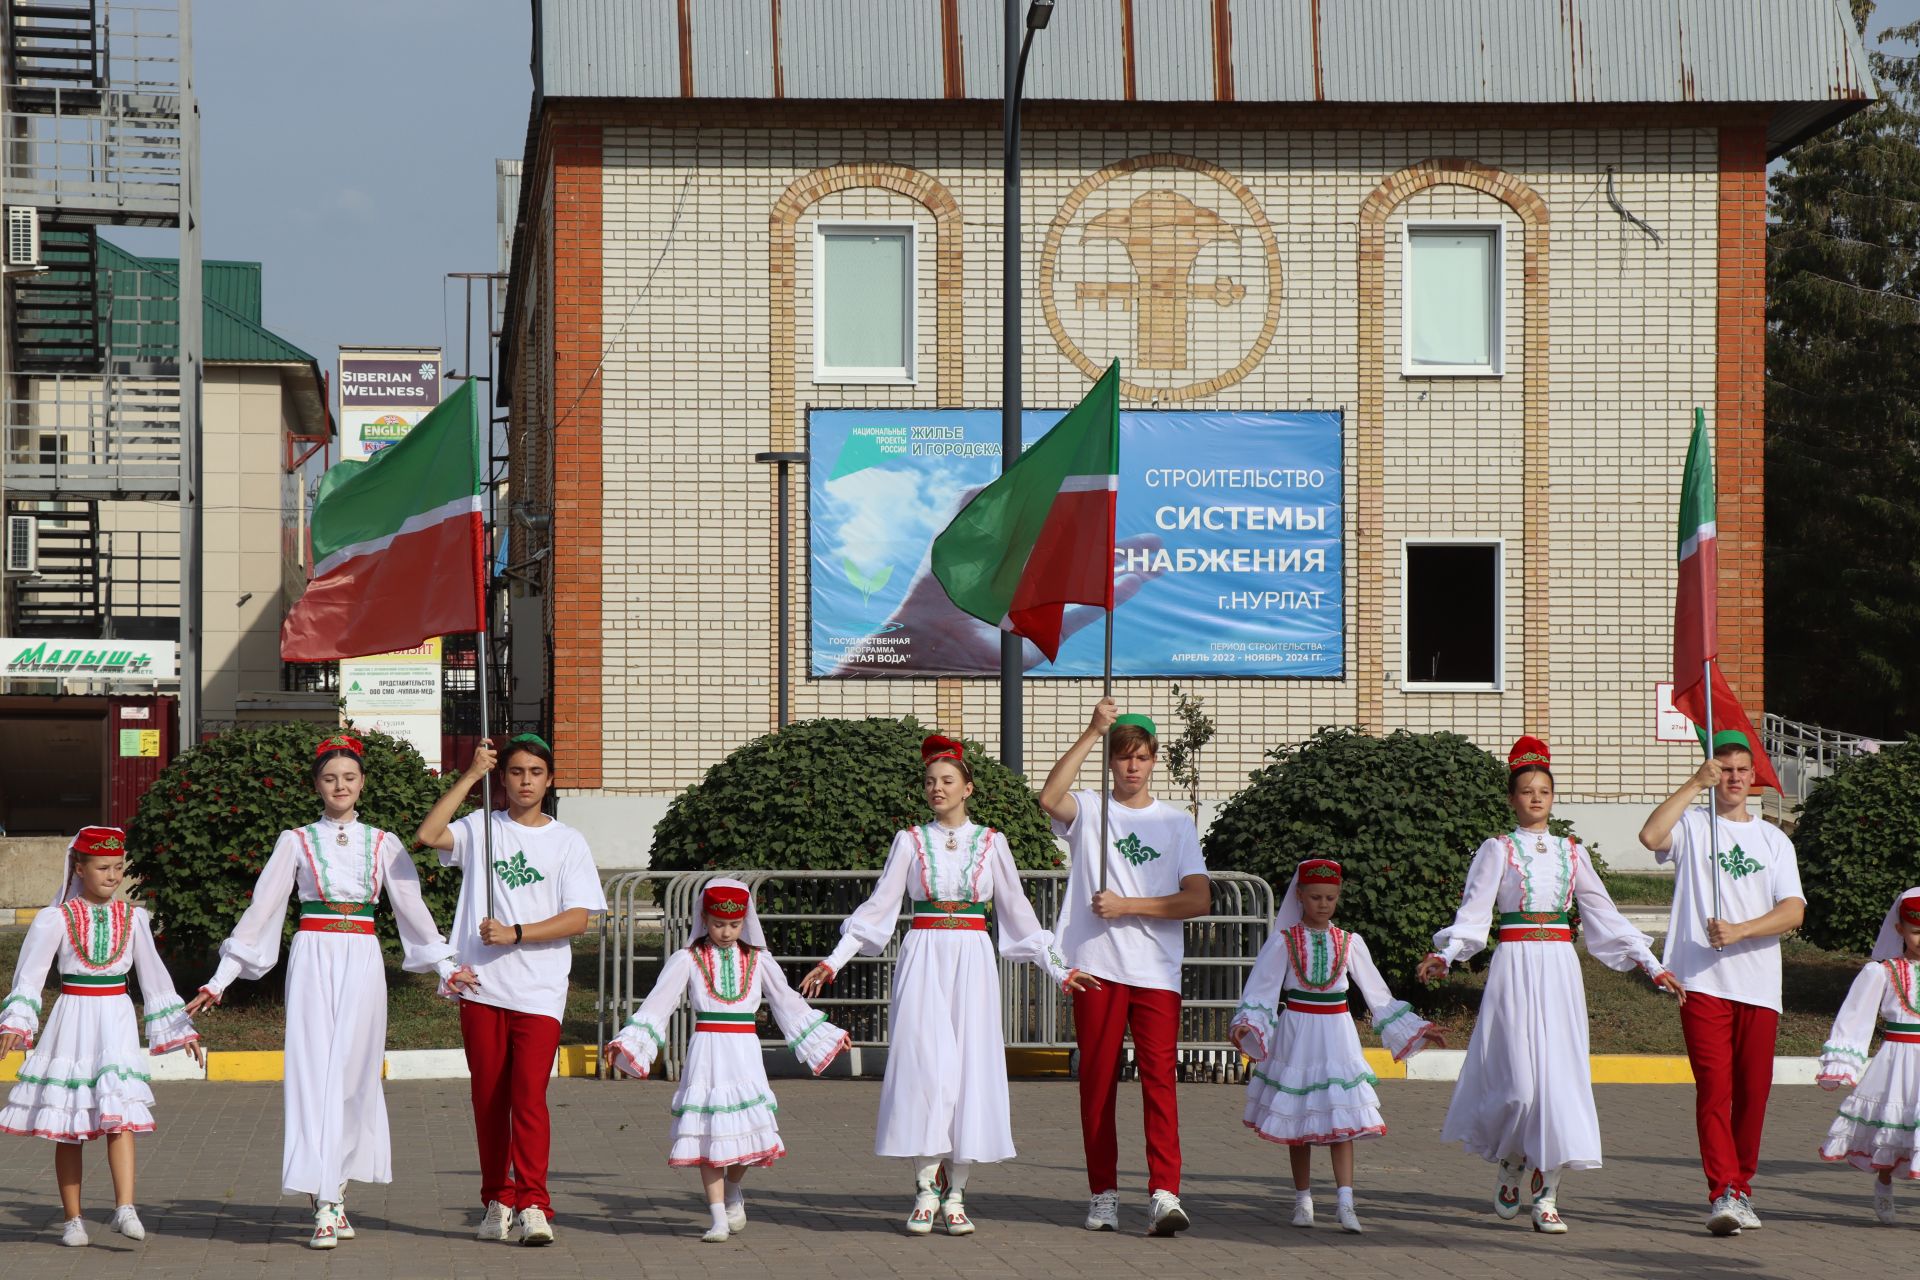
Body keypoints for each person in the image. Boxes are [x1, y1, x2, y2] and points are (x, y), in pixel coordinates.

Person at [799, 733, 1095, 1236]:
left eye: (947, 781)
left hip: (973, 959)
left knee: (969, 1071)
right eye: (931, 781)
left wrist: (1057, 967)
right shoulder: (910, 841)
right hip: (924, 955)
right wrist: (834, 960)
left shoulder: (991, 842)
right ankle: (923, 1188)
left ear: (968, 788)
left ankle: (956, 1193)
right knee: (925, 1067)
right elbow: (879, 911)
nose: (937, 788)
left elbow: (1019, 916)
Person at [186, 734, 474, 1248]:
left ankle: (334, 1187)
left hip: (362, 956)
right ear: (316, 785)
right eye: (329, 778)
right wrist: (221, 979)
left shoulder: (385, 843)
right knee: (313, 1073)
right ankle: (325, 1201)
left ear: (362, 782)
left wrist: (446, 966)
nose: (339, 786)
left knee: (354, 1074)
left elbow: (413, 911)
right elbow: (261, 913)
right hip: (313, 953)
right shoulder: (294, 841)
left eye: (349, 777)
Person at [1419, 736, 1685, 1234]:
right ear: (1511, 798)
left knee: (1560, 1083)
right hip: (1515, 966)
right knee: (1519, 1084)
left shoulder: (1571, 852)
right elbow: (1474, 916)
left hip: (1559, 966)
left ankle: (1547, 1193)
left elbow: (1604, 915)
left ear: (1552, 796)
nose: (1536, 797)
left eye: (1544, 790)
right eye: (1526, 790)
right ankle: (1511, 1160)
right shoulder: (1497, 850)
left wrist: (1652, 965)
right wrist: (1446, 953)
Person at [415, 733, 606, 1247]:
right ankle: (498, 1200)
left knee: (528, 1098)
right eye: (516, 772)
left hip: (539, 989)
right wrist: (471, 773)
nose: (525, 781)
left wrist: (517, 933)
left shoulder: (567, 841)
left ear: (549, 779)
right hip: (482, 985)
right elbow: (429, 835)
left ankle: (535, 1204)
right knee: (488, 1098)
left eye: (535, 773)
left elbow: (580, 918)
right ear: (504, 779)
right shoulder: (482, 828)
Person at [1039, 699, 1210, 1236]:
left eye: (1140, 757)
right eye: (1122, 757)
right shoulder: (1090, 810)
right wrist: (1093, 730)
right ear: (1111, 763)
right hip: (1096, 966)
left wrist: (1129, 906)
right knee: (1097, 1082)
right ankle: (1103, 1193)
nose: (1131, 766)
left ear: (1154, 760)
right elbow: (1048, 797)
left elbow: (1198, 899)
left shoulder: (1176, 824)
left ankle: (1164, 1192)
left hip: (1155, 972)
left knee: (1160, 1080)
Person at [607, 879, 849, 1242]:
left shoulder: (758, 959)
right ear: (704, 919)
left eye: (734, 925)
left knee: (744, 1134)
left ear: (745, 922)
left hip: (744, 1052)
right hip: (707, 1051)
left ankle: (734, 1189)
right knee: (708, 1133)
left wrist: (827, 1035)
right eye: (718, 923)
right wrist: (628, 1042)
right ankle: (718, 1216)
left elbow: (787, 1003)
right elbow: (659, 1003)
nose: (725, 932)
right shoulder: (686, 959)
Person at [0, 826, 204, 1247]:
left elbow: (154, 980)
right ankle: (73, 1219)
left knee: (120, 1114)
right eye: (103, 868)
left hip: (116, 1019)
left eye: (118, 868)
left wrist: (180, 1029)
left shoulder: (133, 918)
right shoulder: (56, 917)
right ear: (80, 867)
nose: (113, 876)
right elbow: (30, 977)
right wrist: (16, 1023)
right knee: (68, 1123)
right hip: (73, 1018)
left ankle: (125, 1206)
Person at [1638, 732, 1804, 1235]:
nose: (1732, 778)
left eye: (1740, 770)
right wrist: (1694, 782)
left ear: (1753, 778)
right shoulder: (1692, 826)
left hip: (1758, 984)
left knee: (1753, 1094)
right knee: (1714, 1090)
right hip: (1702, 981)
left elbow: (1793, 912)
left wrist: (1740, 931)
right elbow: (1650, 837)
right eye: (1723, 769)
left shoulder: (1773, 840)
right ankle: (1724, 1192)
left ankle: (1743, 1187)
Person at [1229, 859, 1444, 1234]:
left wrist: (1416, 1029)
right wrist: (1248, 1024)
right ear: (1300, 896)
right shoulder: (1283, 941)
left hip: (1336, 1035)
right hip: (1297, 1035)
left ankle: (1346, 1201)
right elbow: (1261, 990)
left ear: (1338, 897)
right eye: (1315, 897)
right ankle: (1303, 1201)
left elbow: (1378, 994)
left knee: (1341, 1121)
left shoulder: (1349, 942)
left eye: (1330, 897)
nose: (1323, 904)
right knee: (1298, 1117)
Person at [1817, 887, 1920, 1224]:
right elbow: (1856, 1016)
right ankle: (1884, 1183)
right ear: (1900, 930)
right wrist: (1844, 1062)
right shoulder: (1882, 972)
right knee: (1892, 1130)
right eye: (1917, 931)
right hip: (1897, 1062)